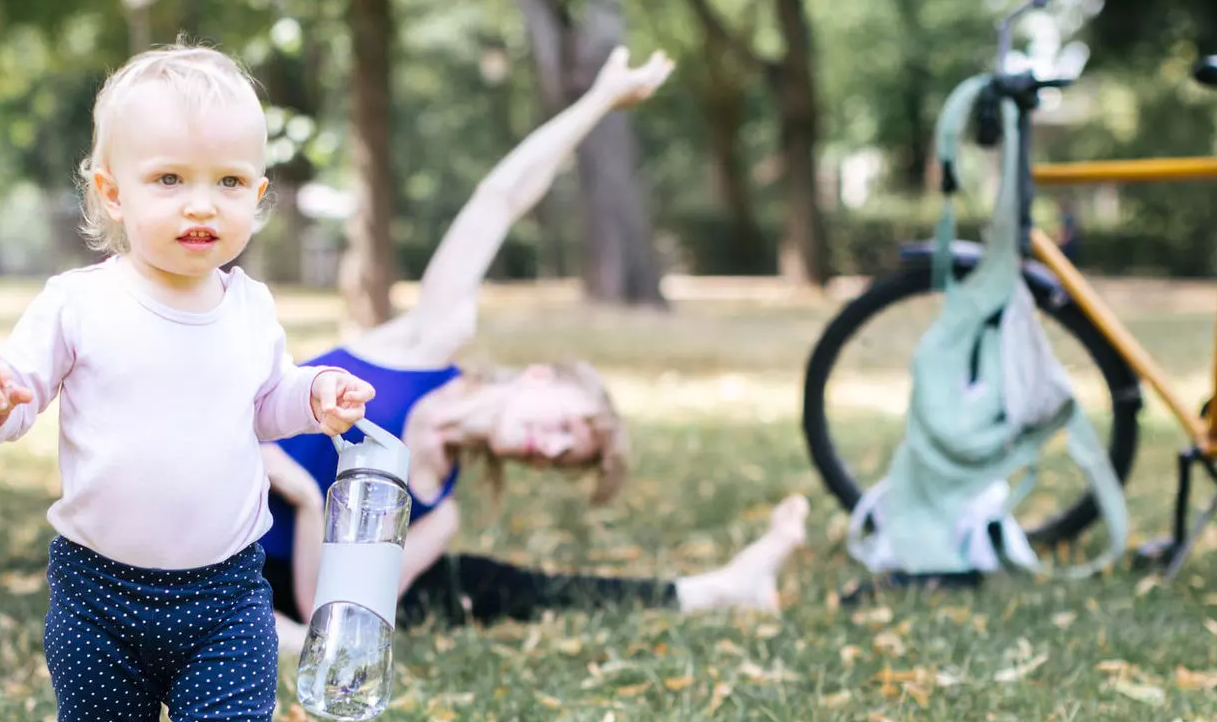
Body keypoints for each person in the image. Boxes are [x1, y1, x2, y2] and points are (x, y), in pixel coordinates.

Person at [0, 45, 374, 722]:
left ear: (258, 196)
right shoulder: (79, 304)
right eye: (170, 178)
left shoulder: (250, 307)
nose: (200, 204)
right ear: (110, 191)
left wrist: (316, 395)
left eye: (228, 181)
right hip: (99, 590)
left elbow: (265, 401)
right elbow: (20, 396)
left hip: (225, 590)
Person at [261, 45, 810, 652]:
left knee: (487, 587)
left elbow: (328, 612)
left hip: (255, 586)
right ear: (539, 377)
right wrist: (600, 101)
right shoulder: (424, 344)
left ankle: (715, 588)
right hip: (181, 516)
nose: (545, 448)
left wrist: (307, 500)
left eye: (559, 457)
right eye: (565, 426)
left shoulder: (438, 514)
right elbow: (498, 202)